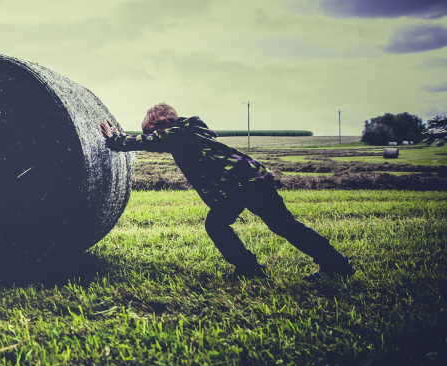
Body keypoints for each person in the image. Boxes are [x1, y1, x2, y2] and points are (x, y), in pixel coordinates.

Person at [99, 103, 354, 281]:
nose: (154, 135)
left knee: (263, 226)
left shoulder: (183, 131)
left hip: (245, 183)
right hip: (241, 185)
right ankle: (328, 264)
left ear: (161, 122)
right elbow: (155, 141)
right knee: (266, 225)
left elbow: (149, 142)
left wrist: (115, 138)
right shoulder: (186, 133)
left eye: (152, 129)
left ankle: (258, 268)